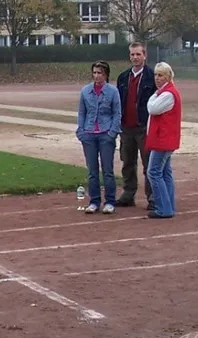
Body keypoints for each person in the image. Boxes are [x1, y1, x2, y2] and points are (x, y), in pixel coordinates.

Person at [76, 60, 122, 214]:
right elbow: (82, 112)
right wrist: (81, 131)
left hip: (105, 134)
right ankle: (94, 201)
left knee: (107, 170)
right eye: (94, 72)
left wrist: (112, 133)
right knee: (92, 171)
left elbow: (117, 113)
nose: (96, 76)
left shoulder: (113, 92)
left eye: (100, 73)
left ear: (106, 75)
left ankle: (110, 201)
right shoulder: (85, 91)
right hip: (89, 134)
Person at [116, 42, 156, 209]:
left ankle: (152, 197)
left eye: (138, 54)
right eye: (132, 54)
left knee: (149, 164)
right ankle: (128, 193)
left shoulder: (152, 77)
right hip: (126, 127)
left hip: (144, 127)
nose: (135, 57)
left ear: (144, 55)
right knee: (127, 162)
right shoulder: (123, 77)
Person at [145, 62, 182, 219]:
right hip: (164, 139)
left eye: (160, 75)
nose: (157, 78)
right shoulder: (166, 93)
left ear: (168, 77)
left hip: (163, 140)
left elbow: (152, 108)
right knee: (165, 172)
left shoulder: (167, 94)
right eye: (156, 75)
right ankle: (168, 205)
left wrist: (154, 95)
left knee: (153, 172)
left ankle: (163, 208)